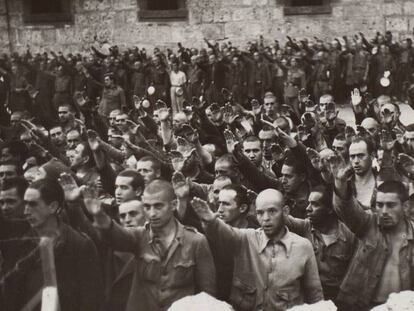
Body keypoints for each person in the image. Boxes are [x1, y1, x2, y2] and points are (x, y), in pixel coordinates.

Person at [84, 179, 216, 311]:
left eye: (158, 206)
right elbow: (117, 237)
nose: (152, 213)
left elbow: (208, 295)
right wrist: (100, 216)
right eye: (147, 207)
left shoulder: (196, 241)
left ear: (174, 205)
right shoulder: (139, 236)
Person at [192, 188, 323, 310]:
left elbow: (315, 295)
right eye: (260, 213)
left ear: (285, 212)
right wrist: (210, 221)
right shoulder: (246, 238)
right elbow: (223, 233)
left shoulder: (303, 247)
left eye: (272, 211)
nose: (265, 218)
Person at [329, 152, 414, 310]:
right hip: (360, 306)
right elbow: (346, 209)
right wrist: (340, 182)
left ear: (406, 206)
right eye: (380, 205)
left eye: (391, 205)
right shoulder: (369, 224)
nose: (383, 211)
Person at [9, 178, 104, 311]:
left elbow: (91, 299)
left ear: (53, 206)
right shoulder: (21, 242)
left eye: (33, 204)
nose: (26, 211)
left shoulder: (79, 244)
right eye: (25, 204)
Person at [285, 184, 355, 303]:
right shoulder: (305, 227)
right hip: (309, 296)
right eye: (309, 203)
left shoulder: (349, 236)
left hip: (337, 299)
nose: (308, 208)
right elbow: (284, 219)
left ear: (330, 209)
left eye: (315, 204)